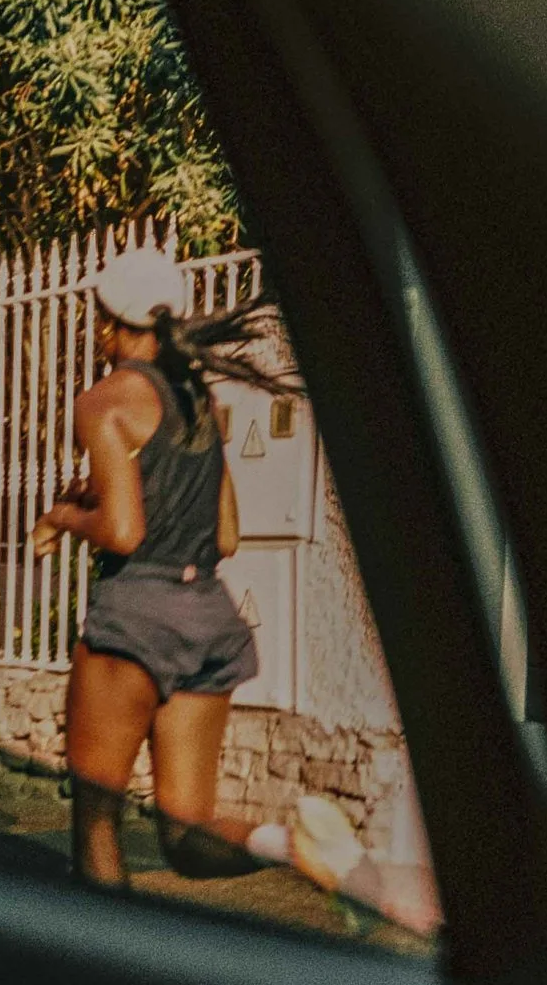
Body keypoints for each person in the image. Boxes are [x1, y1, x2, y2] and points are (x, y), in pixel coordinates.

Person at [27, 247, 421, 926]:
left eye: (97, 319)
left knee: (97, 822)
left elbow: (121, 531)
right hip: (208, 616)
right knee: (185, 835)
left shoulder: (105, 401)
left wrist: (61, 516)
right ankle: (292, 846)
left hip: (135, 617)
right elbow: (227, 534)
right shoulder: (197, 399)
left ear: (109, 323)